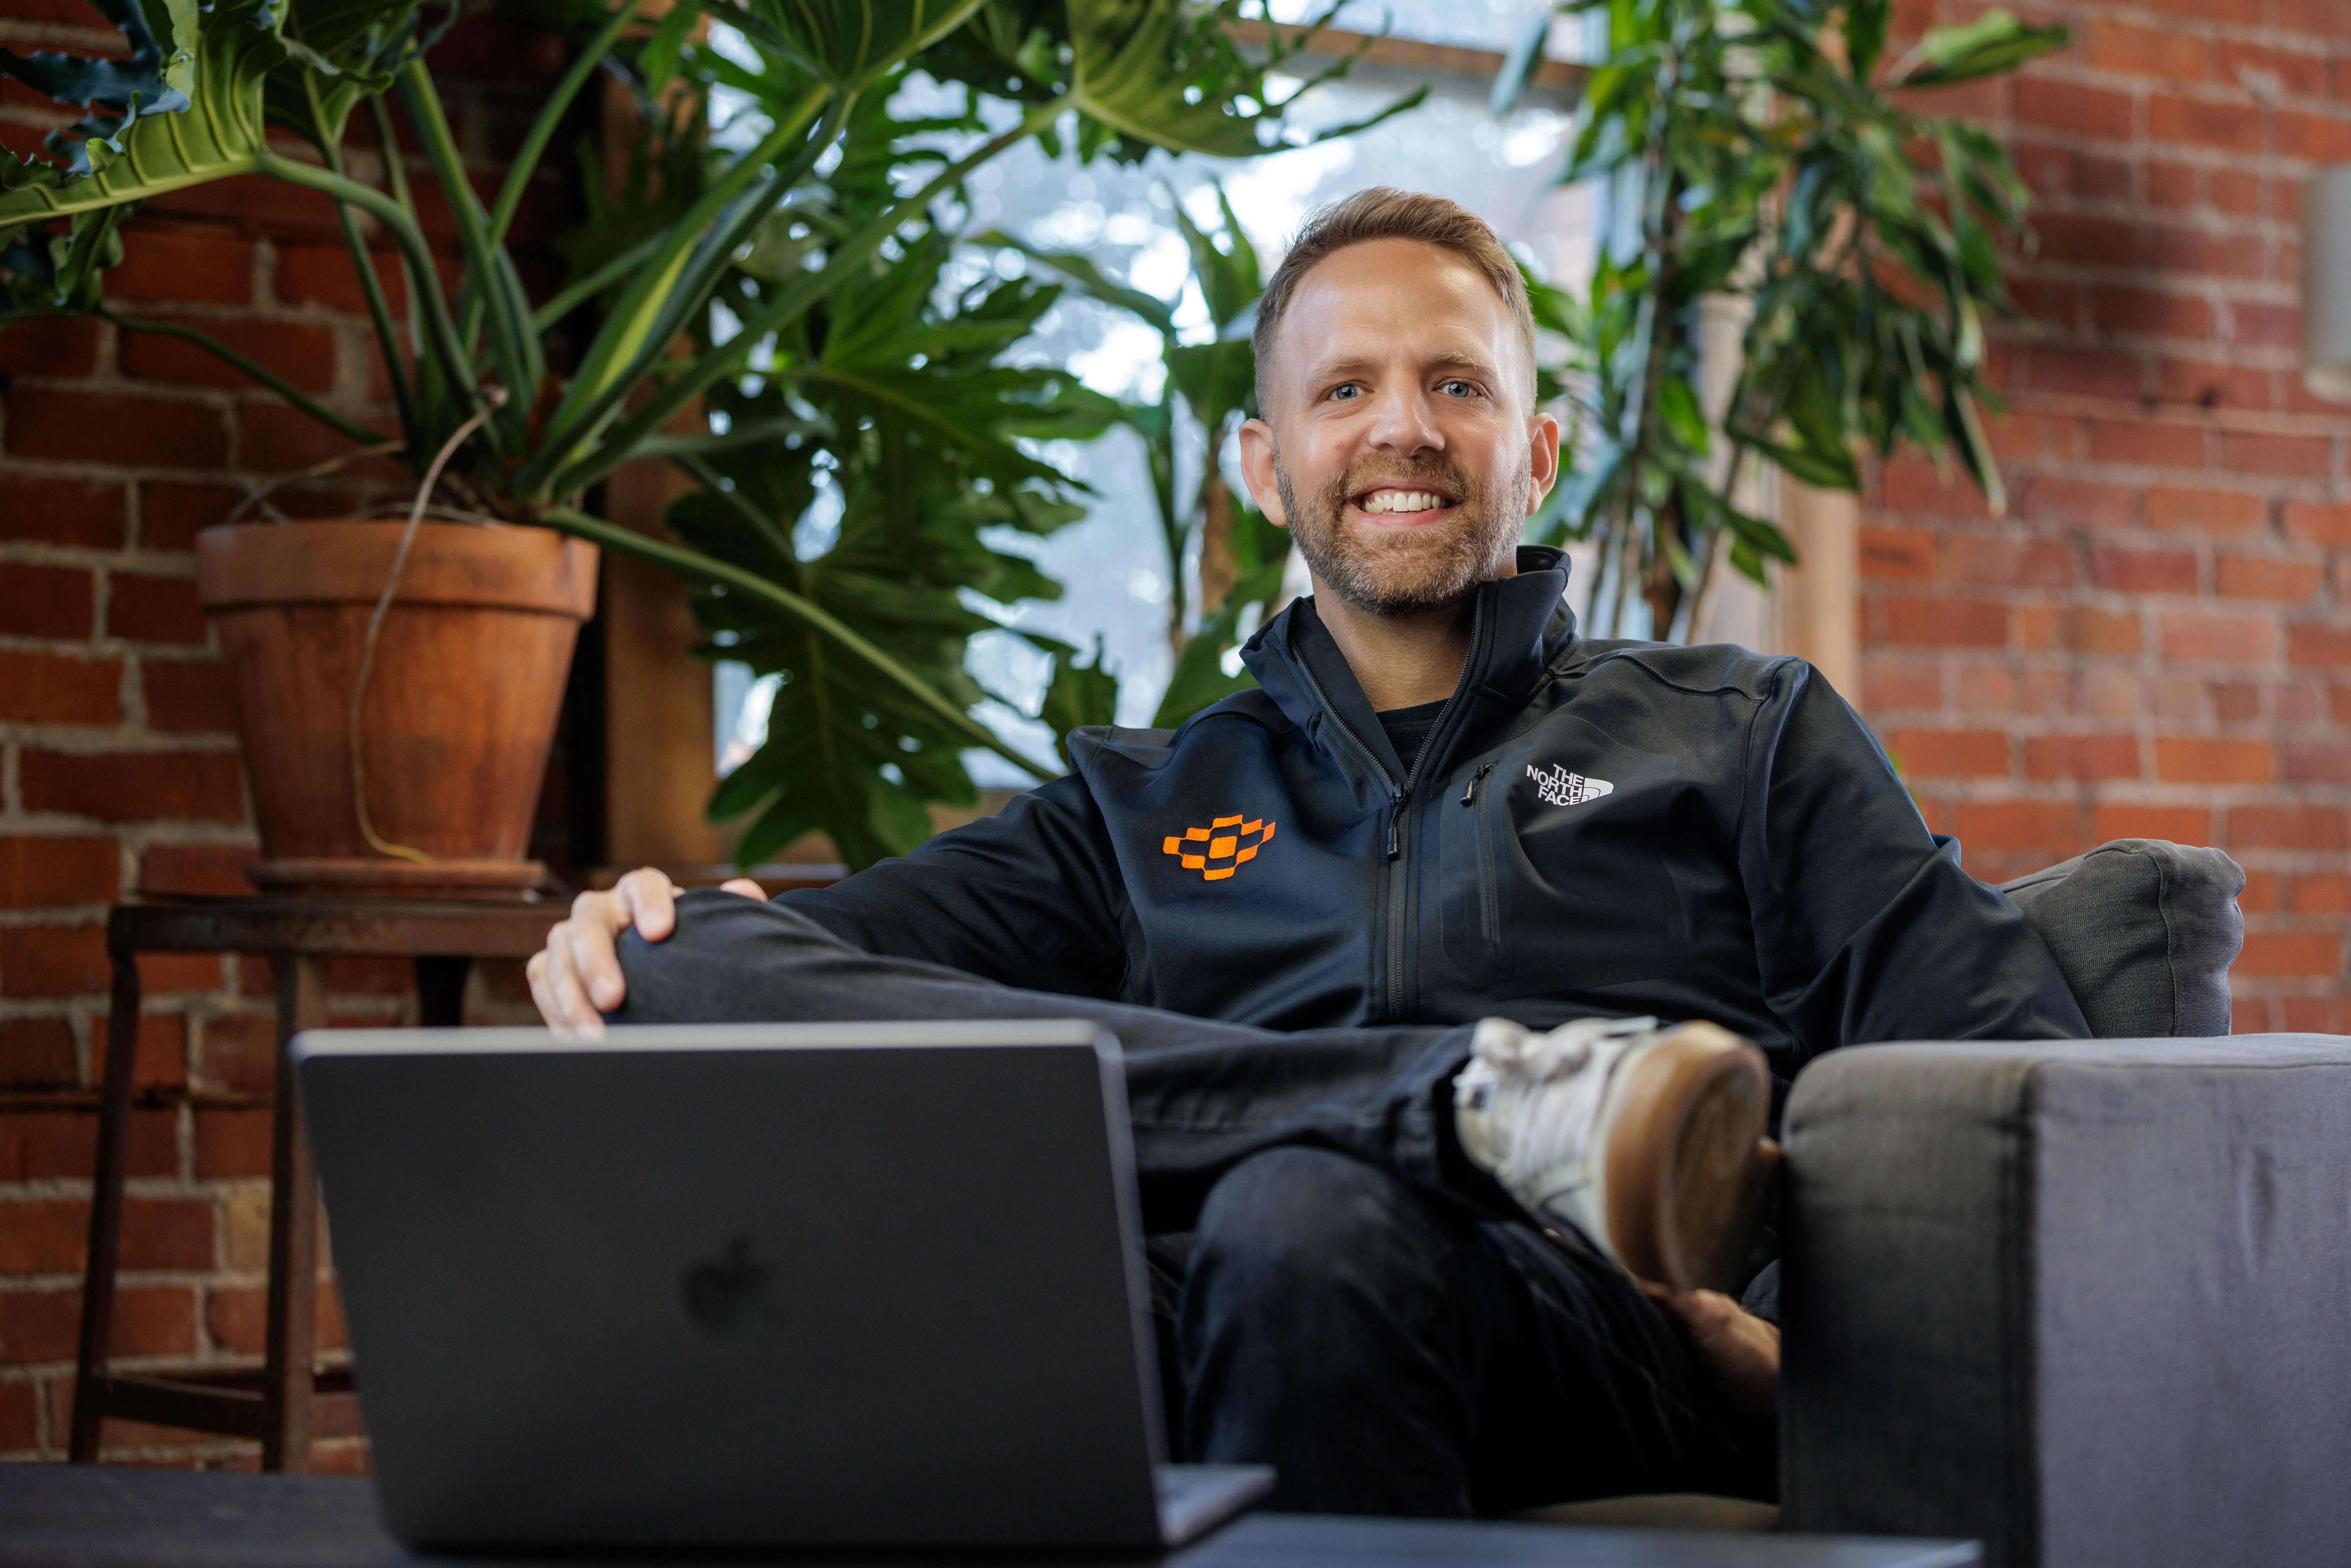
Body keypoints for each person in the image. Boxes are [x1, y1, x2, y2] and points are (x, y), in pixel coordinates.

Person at [530, 188, 2087, 1516]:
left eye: (1456, 386)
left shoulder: (1735, 732)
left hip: (1601, 1321)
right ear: (1266, 466)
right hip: (1200, 1297)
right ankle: (1479, 1110)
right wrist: (642, 938)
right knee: (683, 971)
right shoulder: (1137, 802)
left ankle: (1468, 1138)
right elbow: (806, 963)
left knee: (1300, 1211)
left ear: (1537, 449)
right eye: (1343, 390)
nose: (1401, 426)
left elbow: (2016, 1062)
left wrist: (1782, 1337)